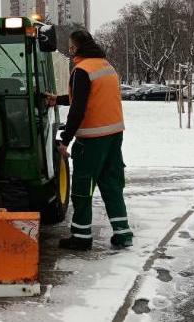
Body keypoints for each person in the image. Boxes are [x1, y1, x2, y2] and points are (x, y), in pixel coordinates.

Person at [45, 30, 132, 250]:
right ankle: (123, 233)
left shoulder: (82, 70)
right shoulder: (105, 66)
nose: (71, 51)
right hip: (114, 136)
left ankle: (81, 237)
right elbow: (89, 97)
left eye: (71, 47)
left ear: (78, 47)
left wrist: (65, 139)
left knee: (82, 187)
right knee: (112, 184)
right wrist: (59, 99)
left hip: (91, 139)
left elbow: (79, 109)